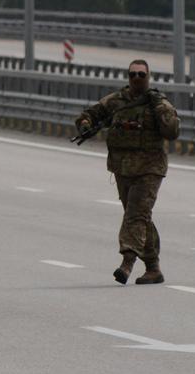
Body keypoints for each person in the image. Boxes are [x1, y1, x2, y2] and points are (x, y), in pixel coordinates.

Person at [75, 59, 180, 285]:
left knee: (135, 216)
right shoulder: (117, 101)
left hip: (150, 168)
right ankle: (153, 268)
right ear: (128, 76)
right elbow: (90, 114)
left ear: (148, 77)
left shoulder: (157, 102)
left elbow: (172, 131)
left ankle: (127, 263)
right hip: (122, 167)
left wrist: (160, 108)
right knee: (140, 217)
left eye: (141, 74)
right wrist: (85, 125)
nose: (137, 78)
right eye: (133, 74)